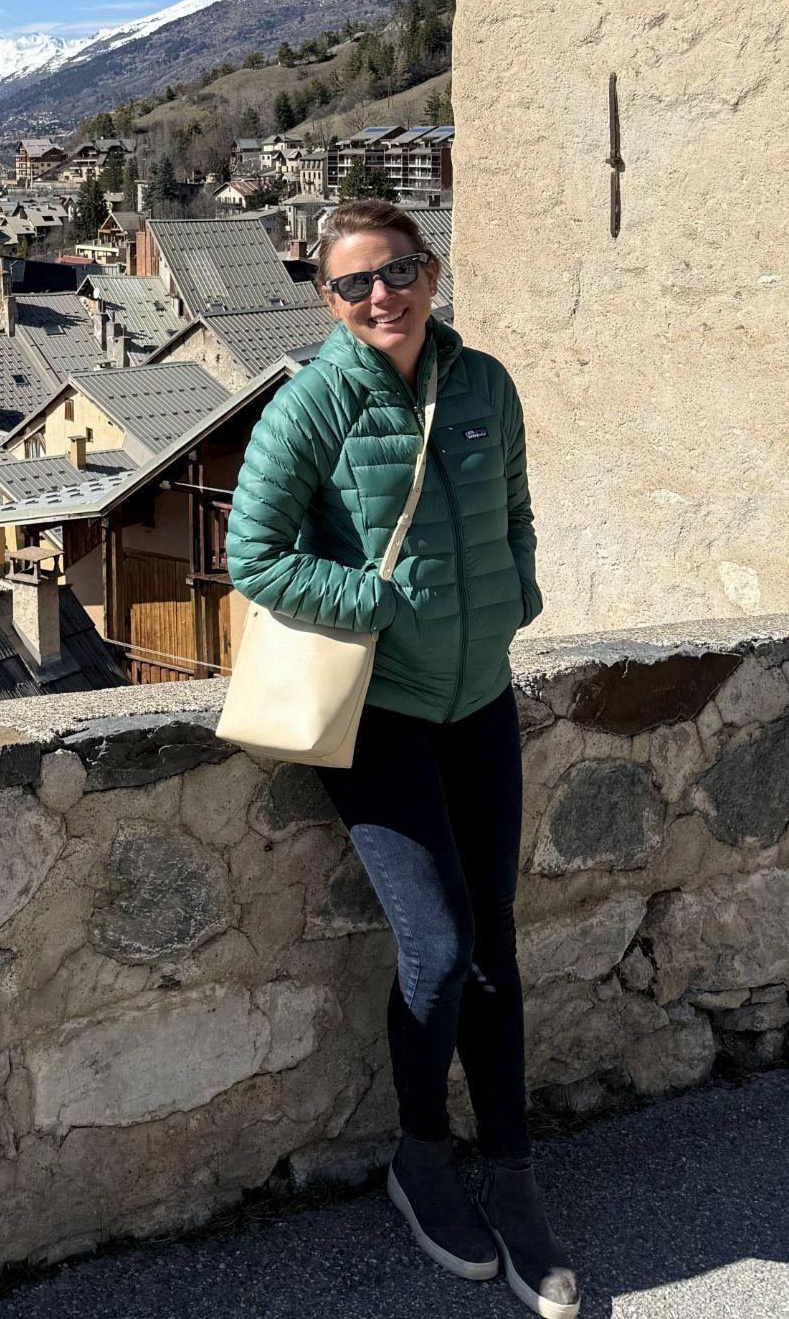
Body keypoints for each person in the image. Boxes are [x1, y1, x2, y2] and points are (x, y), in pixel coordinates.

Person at [225, 198, 579, 1319]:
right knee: (439, 946)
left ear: (431, 271)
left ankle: (512, 1175)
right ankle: (422, 1157)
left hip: (479, 699)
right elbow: (253, 555)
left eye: (399, 271)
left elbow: (515, 508)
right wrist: (377, 604)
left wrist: (517, 594)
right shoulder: (311, 404)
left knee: (495, 947)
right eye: (355, 283)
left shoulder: (487, 386)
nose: (382, 295)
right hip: (376, 713)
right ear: (328, 299)